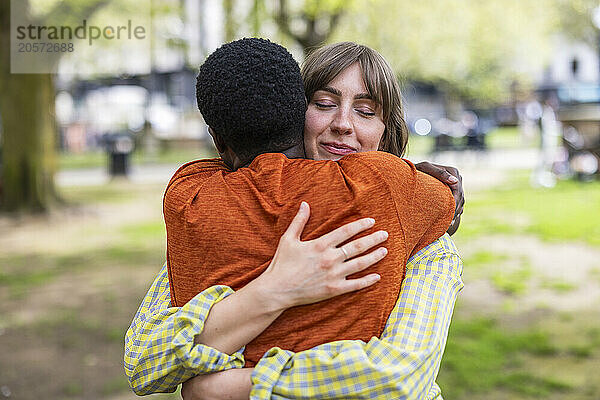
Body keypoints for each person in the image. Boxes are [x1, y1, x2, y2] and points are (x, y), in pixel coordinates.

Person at [125, 39, 463, 399]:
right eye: (324, 104)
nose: (343, 124)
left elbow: (397, 376)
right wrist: (275, 289)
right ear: (291, 109)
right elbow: (146, 359)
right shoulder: (216, 219)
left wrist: (231, 388)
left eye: (366, 111)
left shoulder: (426, 244)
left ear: (386, 130)